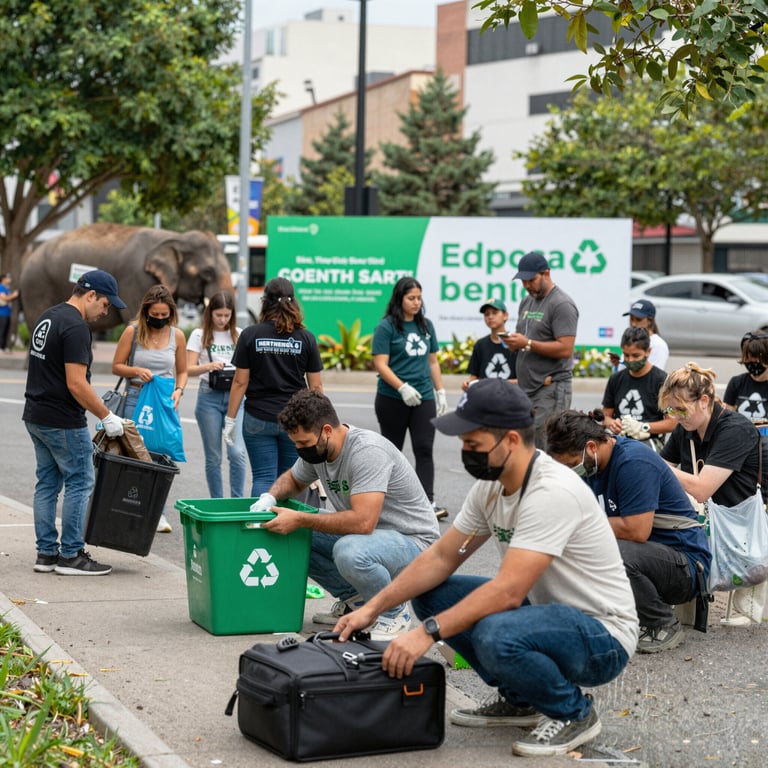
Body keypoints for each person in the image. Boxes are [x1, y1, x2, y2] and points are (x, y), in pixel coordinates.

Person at [335, 379, 638, 758]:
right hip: (550, 618)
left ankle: (574, 713)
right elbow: (441, 557)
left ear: (510, 440)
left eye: (473, 445)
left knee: (495, 633)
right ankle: (521, 700)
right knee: (432, 594)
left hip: (602, 636)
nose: (466, 453)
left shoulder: (551, 491)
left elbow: (508, 591)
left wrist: (426, 635)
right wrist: (372, 607)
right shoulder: (492, 485)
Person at [251, 389, 440, 640]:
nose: (299, 449)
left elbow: (363, 523)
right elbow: (293, 480)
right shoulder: (319, 450)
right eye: (295, 443)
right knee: (295, 533)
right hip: (375, 539)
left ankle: (393, 613)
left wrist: (299, 519)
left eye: (303, 443)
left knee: (348, 549)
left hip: (414, 544)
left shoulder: (366, 451)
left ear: (327, 430)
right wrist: (270, 497)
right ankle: (357, 601)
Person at [546, 410, 711, 653]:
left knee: (612, 553)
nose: (571, 472)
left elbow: (636, 531)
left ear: (591, 447)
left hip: (684, 565)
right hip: (648, 559)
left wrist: (573, 524)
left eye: (572, 465)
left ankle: (660, 623)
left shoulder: (633, 461)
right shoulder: (590, 468)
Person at [23, 270, 127, 576]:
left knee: (47, 484)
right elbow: (76, 384)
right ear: (91, 295)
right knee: (81, 481)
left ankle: (46, 554)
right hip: (62, 419)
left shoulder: (49, 316)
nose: (106, 312)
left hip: (36, 414)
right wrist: (107, 416)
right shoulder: (76, 327)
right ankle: (71, 555)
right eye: (106, 304)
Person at [660, 362, 767, 626]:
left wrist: (653, 464)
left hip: (738, 520)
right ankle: (679, 612)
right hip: (706, 515)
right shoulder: (685, 429)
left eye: (681, 408)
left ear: (704, 401)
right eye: (670, 410)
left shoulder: (735, 429)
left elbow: (701, 487)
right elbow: (666, 470)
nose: (676, 416)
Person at [224, 277, 323, 497]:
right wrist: (318, 423)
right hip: (296, 419)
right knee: (290, 478)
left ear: (265, 302)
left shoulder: (250, 335)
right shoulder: (306, 338)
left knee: (263, 477)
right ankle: (286, 528)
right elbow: (315, 387)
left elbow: (240, 381)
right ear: (293, 302)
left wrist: (230, 419)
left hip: (258, 417)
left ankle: (258, 526)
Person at [112, 285, 188, 533]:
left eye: (163, 315)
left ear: (171, 313)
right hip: (135, 396)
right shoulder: (132, 332)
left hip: (164, 400)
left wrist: (179, 390)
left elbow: (183, 371)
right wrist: (135, 371)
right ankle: (123, 508)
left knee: (160, 458)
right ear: (146, 312)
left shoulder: (177, 336)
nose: (159, 319)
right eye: (154, 314)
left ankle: (159, 513)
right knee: (130, 456)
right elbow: (117, 366)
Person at [372, 277, 449, 520]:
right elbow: (380, 364)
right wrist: (401, 386)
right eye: (411, 298)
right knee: (391, 452)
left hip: (423, 396)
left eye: (419, 298)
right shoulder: (386, 327)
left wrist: (440, 390)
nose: (416, 303)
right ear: (400, 299)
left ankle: (427, 503)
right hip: (392, 398)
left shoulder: (426, 326)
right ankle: (386, 503)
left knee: (424, 449)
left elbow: (433, 361)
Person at [504, 251, 579, 449]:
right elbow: (526, 337)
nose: (527, 285)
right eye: (523, 281)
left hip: (551, 388)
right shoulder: (526, 301)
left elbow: (565, 348)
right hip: (528, 387)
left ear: (546, 273)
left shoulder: (562, 304)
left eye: (531, 280)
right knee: (528, 448)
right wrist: (514, 343)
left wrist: (527, 344)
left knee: (546, 450)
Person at [186, 291, 246, 498]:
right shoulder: (199, 334)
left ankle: (237, 501)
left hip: (235, 397)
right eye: (218, 315)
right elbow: (187, 369)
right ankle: (217, 502)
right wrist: (209, 366)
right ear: (210, 313)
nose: (222, 320)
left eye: (226, 315)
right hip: (208, 396)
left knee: (237, 453)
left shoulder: (239, 333)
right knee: (213, 458)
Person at [601, 326, 675, 449]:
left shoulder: (662, 381)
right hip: (620, 438)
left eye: (636, 356)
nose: (630, 360)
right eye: (626, 355)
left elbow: (672, 422)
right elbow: (605, 415)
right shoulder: (616, 379)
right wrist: (611, 423)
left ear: (648, 352)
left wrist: (643, 427)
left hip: (650, 441)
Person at [462, 298, 517, 391]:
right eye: (486, 314)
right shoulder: (480, 345)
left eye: (494, 313)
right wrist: (467, 383)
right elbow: (474, 376)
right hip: (485, 398)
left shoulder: (515, 343)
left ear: (505, 315)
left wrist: (498, 384)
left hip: (510, 397)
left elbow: (524, 380)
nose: (490, 317)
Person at [610, 299, 669, 371]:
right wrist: (618, 364)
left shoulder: (658, 345)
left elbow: (655, 377)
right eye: (631, 319)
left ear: (649, 321)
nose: (633, 324)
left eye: (638, 319)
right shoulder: (629, 339)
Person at [723, 330, 768, 424]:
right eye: (748, 359)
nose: (752, 363)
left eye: (756, 360)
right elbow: (728, 418)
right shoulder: (736, 383)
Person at [0, 272, 20, 352]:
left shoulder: (6, 288)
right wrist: (14, 295)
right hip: (2, 314)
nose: (9, 279)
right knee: (2, 330)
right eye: (7, 278)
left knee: (6, 330)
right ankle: (1, 347)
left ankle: (4, 347)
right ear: (3, 279)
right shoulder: (1, 287)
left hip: (7, 313)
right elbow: (4, 298)